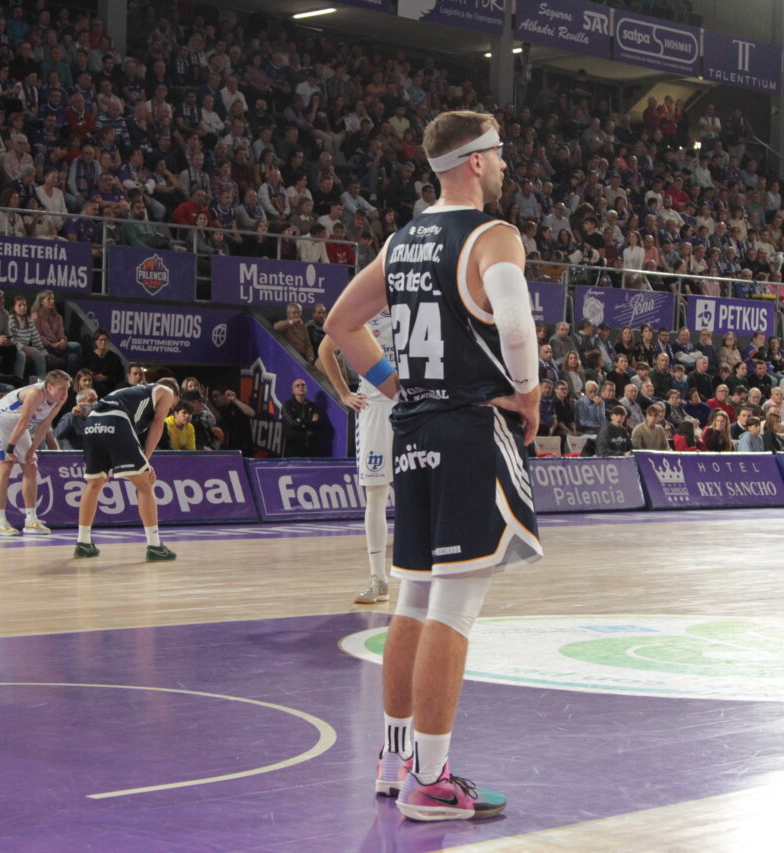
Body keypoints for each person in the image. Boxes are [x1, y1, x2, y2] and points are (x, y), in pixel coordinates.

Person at [323, 111, 540, 822]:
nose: (505, 162)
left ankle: (395, 760)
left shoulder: (401, 240)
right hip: (466, 428)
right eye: (499, 151)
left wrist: (389, 385)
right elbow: (514, 323)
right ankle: (433, 778)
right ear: (475, 162)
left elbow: (340, 324)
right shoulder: (492, 234)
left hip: (413, 426)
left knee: (411, 600)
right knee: (455, 607)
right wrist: (530, 393)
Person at [318, 315, 396, 605]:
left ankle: (425, 576)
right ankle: (378, 579)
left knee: (423, 491)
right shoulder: (363, 311)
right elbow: (325, 350)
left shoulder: (413, 303)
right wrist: (343, 393)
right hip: (374, 408)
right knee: (376, 494)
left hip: (413, 406)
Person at [74, 378, 181, 562]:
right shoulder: (166, 391)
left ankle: (83, 543)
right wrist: (146, 461)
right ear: (175, 394)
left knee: (94, 484)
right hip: (116, 420)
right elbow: (157, 425)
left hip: (92, 423)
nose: (170, 407)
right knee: (145, 485)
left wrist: (143, 463)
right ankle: (155, 546)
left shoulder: (134, 394)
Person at [0, 370, 71, 536]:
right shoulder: (36, 393)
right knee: (6, 466)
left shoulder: (60, 398)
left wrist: (32, 451)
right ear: (50, 387)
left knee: (31, 466)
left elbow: (44, 425)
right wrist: (10, 449)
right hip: (0, 419)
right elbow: (24, 421)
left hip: (18, 425)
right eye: (62, 389)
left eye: (67, 389)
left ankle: (31, 520)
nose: (65, 393)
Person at [281, 378, 320, 456]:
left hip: (309, 446)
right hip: (292, 448)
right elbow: (293, 423)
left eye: (303, 385)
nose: (301, 387)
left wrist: (301, 420)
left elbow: (316, 424)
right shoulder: (287, 405)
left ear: (306, 388)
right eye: (297, 385)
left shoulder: (312, 405)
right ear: (293, 390)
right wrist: (308, 422)